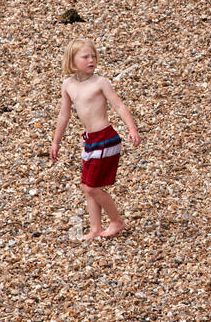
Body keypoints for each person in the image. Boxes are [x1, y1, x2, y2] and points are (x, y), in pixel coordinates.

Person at [50, 39, 142, 239]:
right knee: (87, 187)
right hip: (90, 140)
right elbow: (63, 115)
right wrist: (56, 141)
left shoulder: (100, 82)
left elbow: (118, 106)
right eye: (85, 57)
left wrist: (132, 128)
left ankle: (116, 220)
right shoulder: (68, 84)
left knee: (92, 187)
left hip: (106, 138)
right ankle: (95, 229)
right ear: (72, 61)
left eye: (93, 56)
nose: (91, 60)